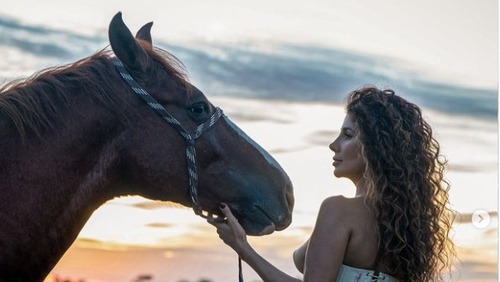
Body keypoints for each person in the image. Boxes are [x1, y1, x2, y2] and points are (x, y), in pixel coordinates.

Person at [208, 86, 455, 281]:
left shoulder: (339, 210)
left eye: (347, 135)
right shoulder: (407, 227)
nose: (333, 145)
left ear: (376, 147)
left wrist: (243, 248)